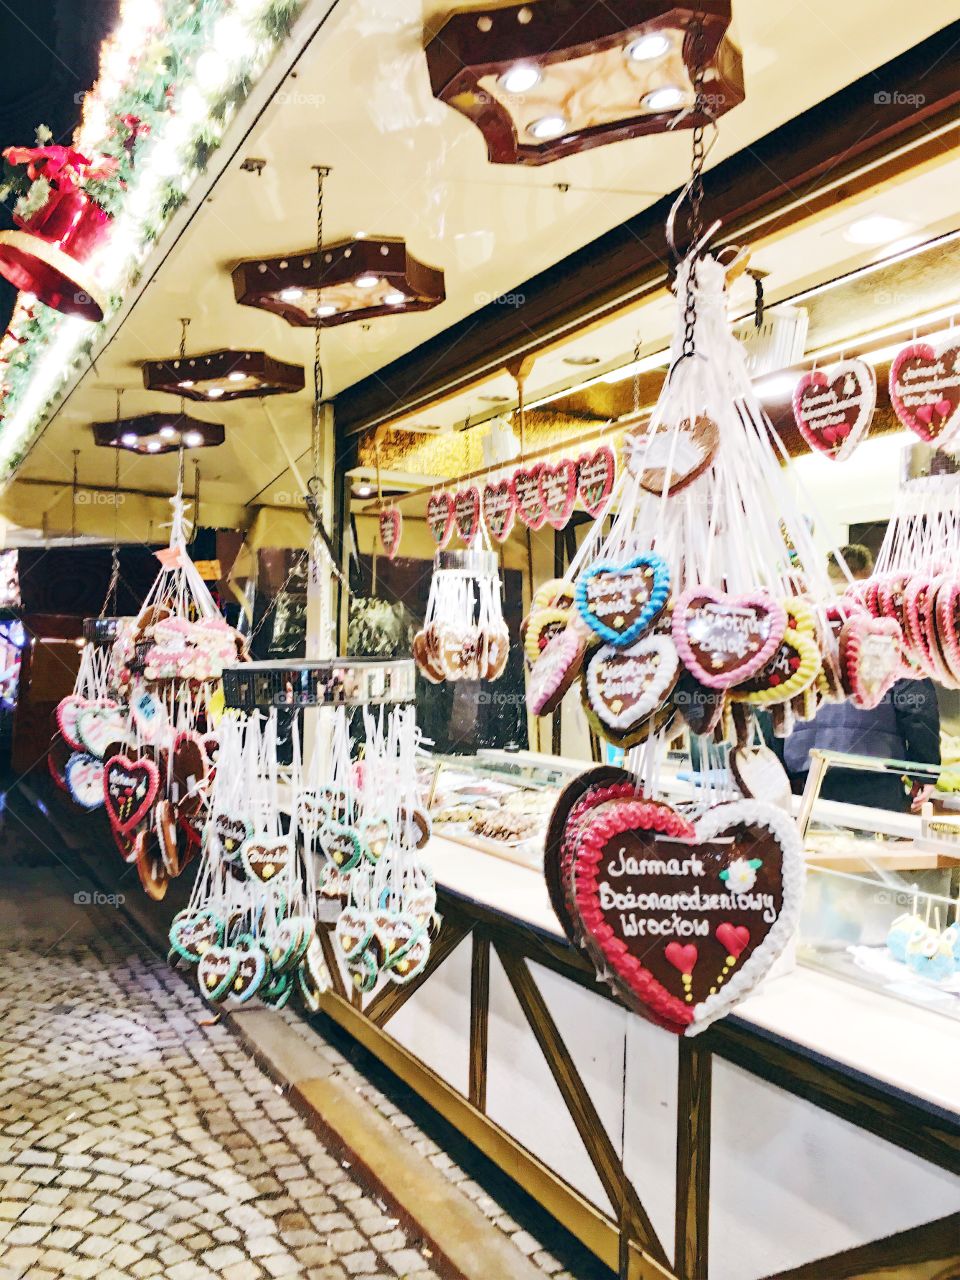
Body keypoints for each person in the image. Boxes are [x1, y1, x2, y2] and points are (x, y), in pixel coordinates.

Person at [782, 545, 941, 811]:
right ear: (868, 579)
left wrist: (777, 765)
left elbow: (778, 702)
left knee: (813, 849)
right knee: (869, 851)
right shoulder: (882, 632)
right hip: (873, 778)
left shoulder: (806, 630)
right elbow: (915, 706)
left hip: (804, 778)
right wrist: (925, 770)